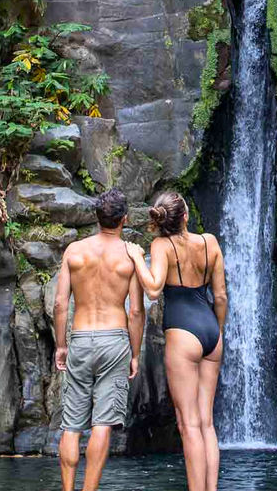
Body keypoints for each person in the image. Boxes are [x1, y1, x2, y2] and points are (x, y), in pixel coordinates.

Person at [127, 190, 227, 491]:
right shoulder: (210, 242)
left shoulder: (161, 246)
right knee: (207, 423)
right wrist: (218, 332)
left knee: (188, 425)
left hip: (183, 332)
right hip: (211, 330)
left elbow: (154, 290)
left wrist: (136, 257)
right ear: (185, 216)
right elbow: (220, 296)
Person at [53, 188, 145, 491]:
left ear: (97, 217)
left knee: (71, 425)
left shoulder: (74, 251)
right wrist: (135, 353)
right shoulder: (130, 255)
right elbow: (135, 312)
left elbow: (59, 304)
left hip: (79, 337)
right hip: (115, 340)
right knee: (102, 423)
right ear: (125, 219)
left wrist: (61, 346)